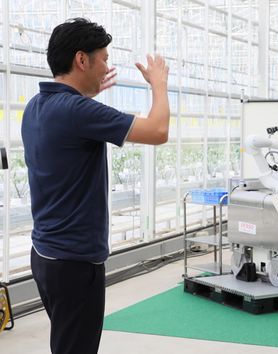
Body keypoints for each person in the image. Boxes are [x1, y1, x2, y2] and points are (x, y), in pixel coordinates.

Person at [21, 18, 170, 354]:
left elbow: (72, 121)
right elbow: (158, 131)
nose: (107, 66)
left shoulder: (36, 107)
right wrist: (159, 84)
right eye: (102, 58)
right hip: (75, 262)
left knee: (67, 340)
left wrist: (86, 95)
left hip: (45, 254)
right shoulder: (77, 111)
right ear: (81, 60)